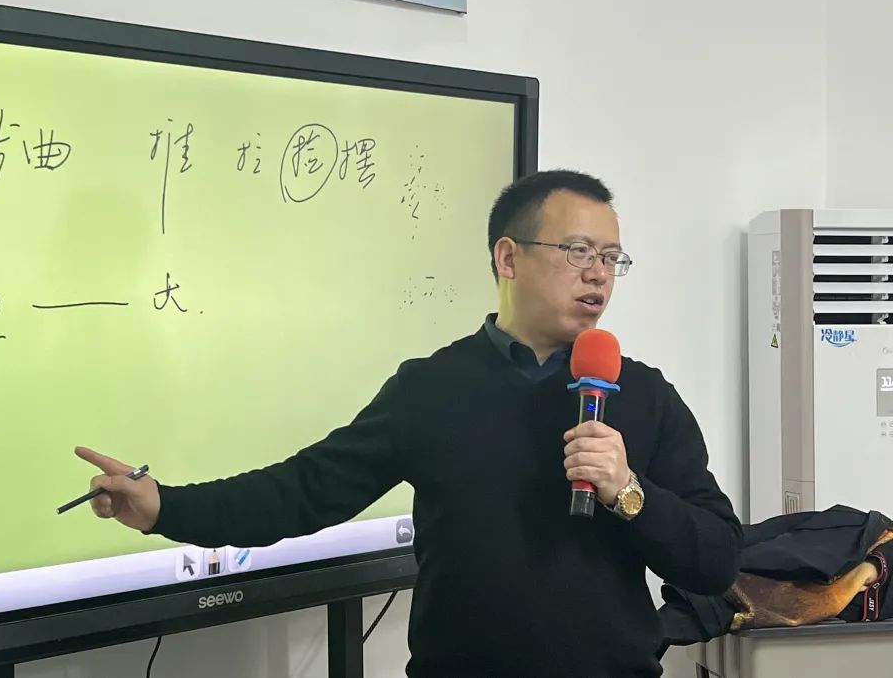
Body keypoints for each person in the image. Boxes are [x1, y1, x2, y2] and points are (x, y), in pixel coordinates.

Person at [75, 169, 742, 677]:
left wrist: (629, 492)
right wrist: (165, 507)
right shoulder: (431, 389)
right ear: (508, 258)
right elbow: (304, 490)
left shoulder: (642, 395)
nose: (599, 275)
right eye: (578, 251)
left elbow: (715, 561)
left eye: (611, 258)